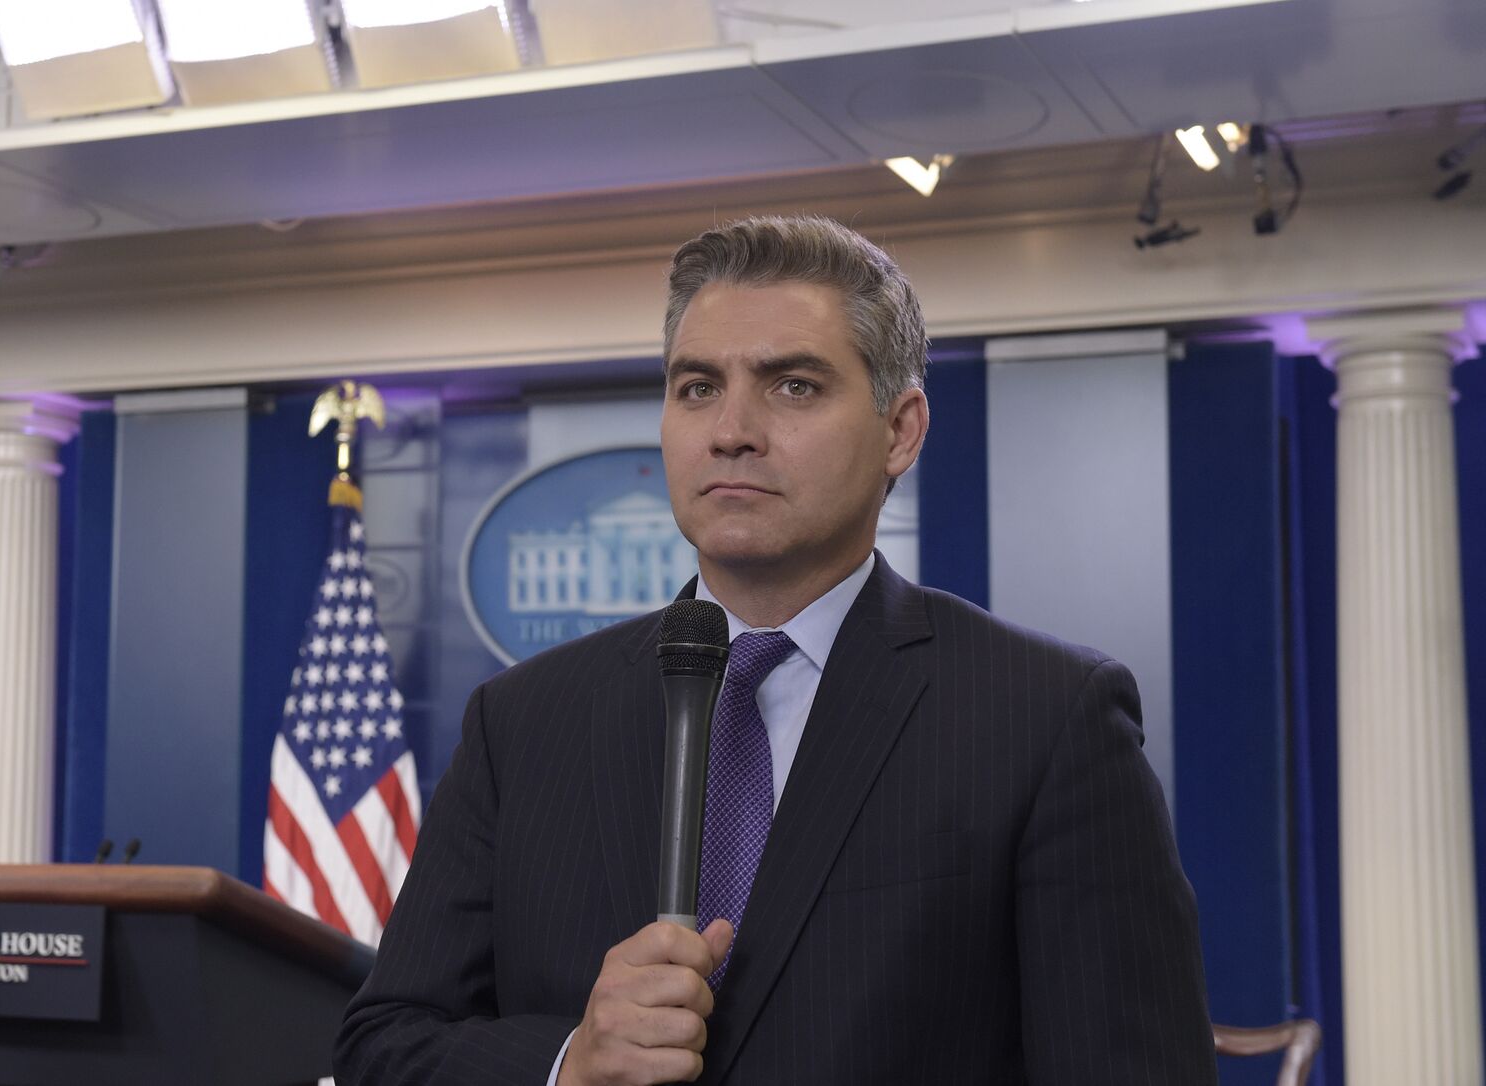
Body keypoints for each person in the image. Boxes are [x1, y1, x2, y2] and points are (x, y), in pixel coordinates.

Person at [333, 215, 1217, 1084]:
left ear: (900, 430)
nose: (731, 430)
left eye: (792, 385)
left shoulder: (1045, 717)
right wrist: (568, 1066)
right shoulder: (523, 721)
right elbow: (384, 1046)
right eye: (697, 387)